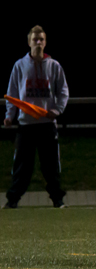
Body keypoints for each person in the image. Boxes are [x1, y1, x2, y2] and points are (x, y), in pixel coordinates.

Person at [3, 25, 69, 209]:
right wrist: (10, 116)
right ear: (29, 42)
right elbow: (13, 93)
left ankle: (58, 199)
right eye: (35, 39)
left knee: (51, 166)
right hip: (26, 124)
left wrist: (55, 111)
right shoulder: (20, 65)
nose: (38, 42)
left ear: (45, 42)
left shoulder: (54, 66)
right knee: (22, 166)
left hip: (47, 124)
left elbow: (63, 92)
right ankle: (13, 200)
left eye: (41, 39)